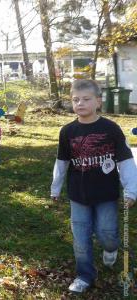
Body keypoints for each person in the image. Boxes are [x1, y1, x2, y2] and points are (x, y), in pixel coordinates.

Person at [50, 79, 137, 293]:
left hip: (106, 194)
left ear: (98, 101)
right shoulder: (67, 132)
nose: (80, 103)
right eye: (75, 99)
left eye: (86, 99)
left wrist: (131, 190)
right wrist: (55, 188)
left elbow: (125, 161)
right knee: (80, 238)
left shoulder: (111, 129)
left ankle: (111, 249)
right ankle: (84, 275)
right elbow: (62, 163)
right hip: (78, 195)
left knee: (107, 233)